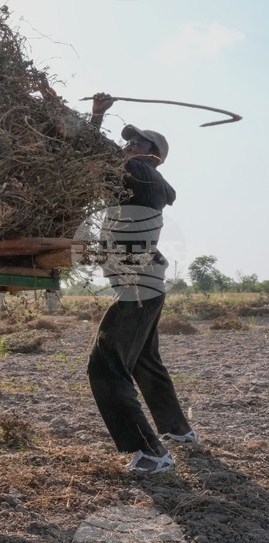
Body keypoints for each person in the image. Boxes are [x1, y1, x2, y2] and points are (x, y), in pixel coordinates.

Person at [86, 92, 197, 474]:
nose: (129, 144)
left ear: (154, 155)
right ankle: (178, 431)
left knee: (105, 364)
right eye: (129, 139)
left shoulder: (141, 172)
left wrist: (97, 116)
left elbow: (91, 152)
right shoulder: (136, 178)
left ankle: (150, 452)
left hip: (139, 285)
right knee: (145, 361)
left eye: (139, 142)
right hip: (144, 283)